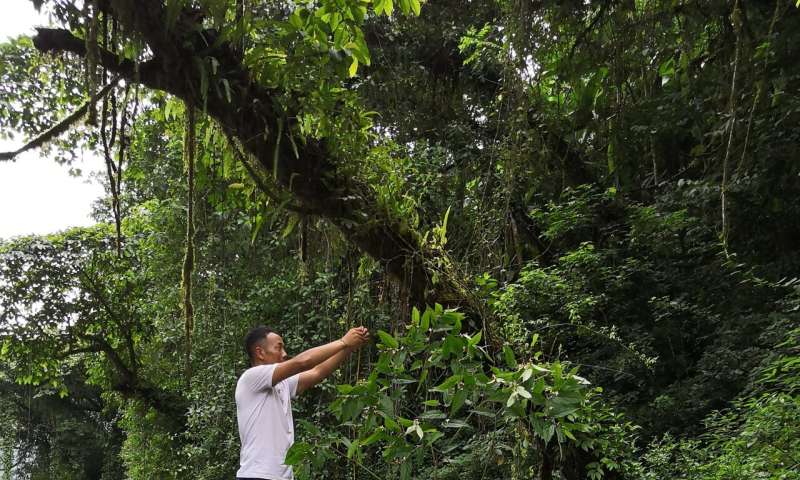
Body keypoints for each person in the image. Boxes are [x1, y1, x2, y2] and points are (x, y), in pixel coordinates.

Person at [235, 325, 370, 480]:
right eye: (279, 348)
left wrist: (349, 347)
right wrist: (343, 342)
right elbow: (303, 362)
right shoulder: (251, 378)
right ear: (260, 353)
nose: (284, 354)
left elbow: (317, 372)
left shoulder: (283, 384)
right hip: (257, 475)